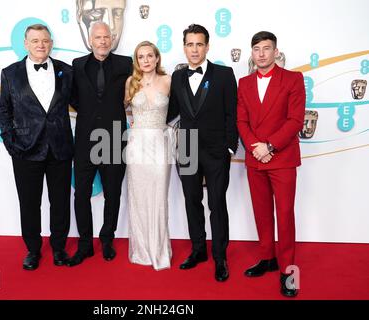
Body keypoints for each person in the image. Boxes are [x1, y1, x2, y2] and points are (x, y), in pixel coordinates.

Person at [0, 24, 74, 270]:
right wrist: (12, 144)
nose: (41, 45)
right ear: (26, 43)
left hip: (60, 147)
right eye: (35, 41)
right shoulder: (10, 73)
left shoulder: (66, 71)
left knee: (60, 201)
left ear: (51, 43)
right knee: (29, 203)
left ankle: (59, 248)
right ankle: (32, 249)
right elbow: (5, 111)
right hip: (25, 150)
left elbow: (83, 103)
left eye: (45, 40)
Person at [167, 24, 238, 282]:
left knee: (217, 203)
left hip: (216, 150)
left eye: (199, 44)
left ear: (207, 47)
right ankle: (198, 250)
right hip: (186, 147)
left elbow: (233, 113)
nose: (194, 49)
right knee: (191, 201)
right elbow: (171, 111)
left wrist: (229, 146)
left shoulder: (224, 74)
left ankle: (220, 256)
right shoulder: (177, 77)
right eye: (189, 44)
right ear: (184, 47)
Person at [237, 31, 305, 297]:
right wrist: (256, 147)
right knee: (262, 212)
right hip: (256, 158)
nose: (262, 54)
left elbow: (296, 120)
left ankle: (289, 271)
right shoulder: (243, 83)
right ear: (252, 53)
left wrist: (270, 146)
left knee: (285, 215)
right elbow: (241, 121)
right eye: (257, 49)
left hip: (283, 158)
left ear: (276, 52)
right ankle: (267, 257)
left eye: (267, 48)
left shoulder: (293, 79)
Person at [69, 22, 132, 266]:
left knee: (113, 193)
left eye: (107, 37)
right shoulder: (77, 65)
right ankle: (85, 244)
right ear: (90, 40)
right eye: (98, 37)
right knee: (81, 193)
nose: (103, 41)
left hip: (115, 138)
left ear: (112, 39)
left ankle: (107, 239)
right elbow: (72, 96)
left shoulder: (126, 64)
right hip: (85, 139)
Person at [124, 41, 172, 270]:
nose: (146, 60)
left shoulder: (168, 80)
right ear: (137, 60)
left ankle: (159, 250)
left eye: (149, 56)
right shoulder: (131, 82)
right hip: (137, 146)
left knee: (158, 197)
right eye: (141, 56)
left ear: (156, 58)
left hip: (160, 144)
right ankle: (142, 250)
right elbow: (122, 109)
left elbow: (180, 108)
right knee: (139, 197)